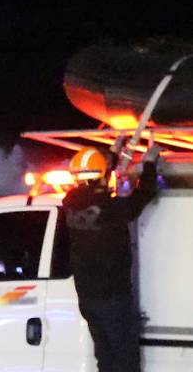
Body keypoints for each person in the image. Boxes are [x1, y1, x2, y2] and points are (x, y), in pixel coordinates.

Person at [63, 142, 161, 372]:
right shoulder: (111, 208)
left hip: (88, 299)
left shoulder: (70, 205)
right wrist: (149, 164)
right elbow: (145, 194)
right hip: (113, 299)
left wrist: (116, 153)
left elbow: (100, 176)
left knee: (105, 359)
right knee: (125, 361)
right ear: (102, 176)